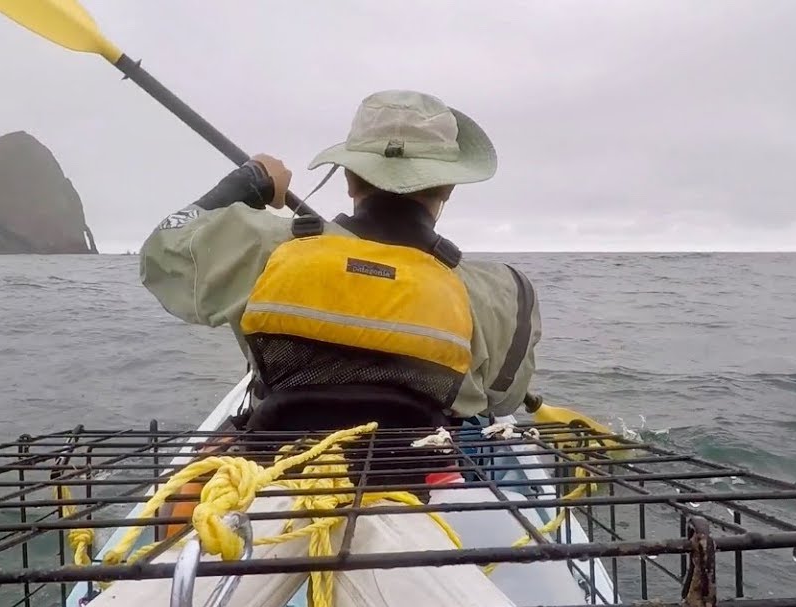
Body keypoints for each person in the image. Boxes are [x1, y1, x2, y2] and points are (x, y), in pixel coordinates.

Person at [139, 90, 541, 433]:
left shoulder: (261, 247)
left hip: (279, 455)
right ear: (449, 188)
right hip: (419, 472)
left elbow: (162, 250)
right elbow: (502, 401)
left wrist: (249, 182)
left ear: (349, 178)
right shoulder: (504, 295)